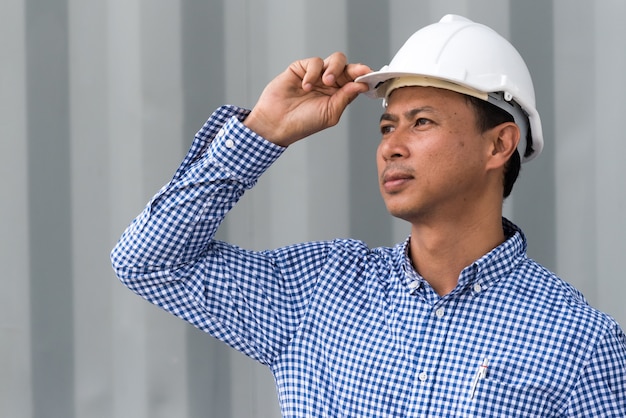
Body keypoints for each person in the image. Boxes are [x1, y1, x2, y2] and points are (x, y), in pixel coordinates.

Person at [111, 15, 626, 417]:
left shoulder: (579, 343)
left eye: (420, 122)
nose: (391, 148)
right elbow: (148, 262)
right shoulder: (320, 291)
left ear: (499, 144)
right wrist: (264, 130)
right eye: (385, 128)